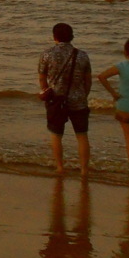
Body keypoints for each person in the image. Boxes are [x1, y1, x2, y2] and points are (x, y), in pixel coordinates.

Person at [37, 22, 93, 177]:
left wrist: (46, 92)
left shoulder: (47, 54)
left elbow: (42, 79)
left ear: (54, 37)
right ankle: (84, 170)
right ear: (72, 36)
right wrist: (83, 95)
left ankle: (60, 167)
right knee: (82, 135)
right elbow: (88, 81)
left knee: (56, 135)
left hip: (56, 100)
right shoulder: (82, 55)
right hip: (79, 99)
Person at [97, 38, 129, 177]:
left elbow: (101, 77)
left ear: (125, 52)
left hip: (125, 106)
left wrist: (113, 93)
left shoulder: (121, 66)